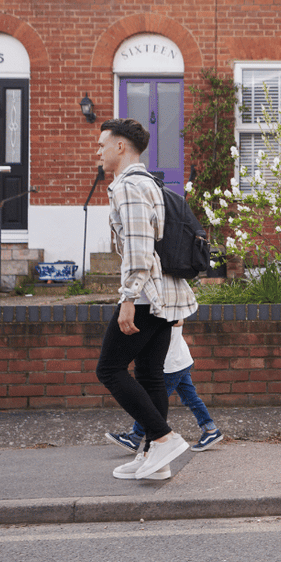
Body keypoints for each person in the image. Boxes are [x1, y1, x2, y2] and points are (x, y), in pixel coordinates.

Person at [95, 119, 197, 480]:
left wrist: (127, 298)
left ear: (121, 147)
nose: (99, 150)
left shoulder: (129, 187)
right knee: (151, 372)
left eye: (102, 144)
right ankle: (156, 458)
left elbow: (139, 248)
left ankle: (164, 439)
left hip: (146, 296)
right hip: (167, 295)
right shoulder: (150, 183)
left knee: (108, 369)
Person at [104, 320, 224, 453]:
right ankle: (210, 429)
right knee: (190, 398)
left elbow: (178, 321)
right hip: (180, 360)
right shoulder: (169, 307)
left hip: (171, 365)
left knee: (151, 401)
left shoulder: (168, 310)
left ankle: (135, 437)